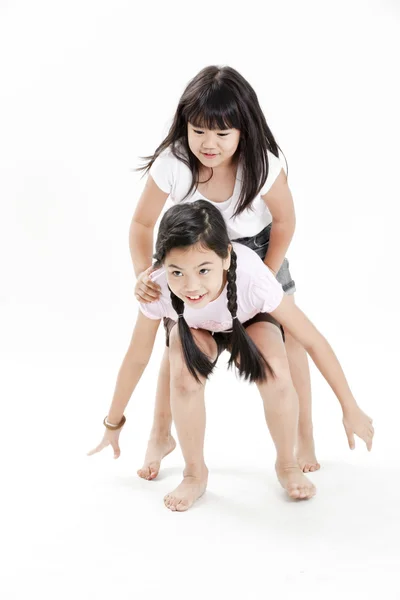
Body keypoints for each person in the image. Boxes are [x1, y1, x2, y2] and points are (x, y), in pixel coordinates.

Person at [88, 201, 374, 512]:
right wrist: (112, 423)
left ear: (225, 257)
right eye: (177, 272)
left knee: (276, 372)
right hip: (194, 328)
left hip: (248, 320)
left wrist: (350, 406)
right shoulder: (158, 287)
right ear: (162, 267)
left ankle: (287, 464)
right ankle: (194, 473)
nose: (192, 285)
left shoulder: (254, 278)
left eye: (203, 270)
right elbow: (136, 359)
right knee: (183, 374)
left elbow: (313, 341)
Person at [130, 65, 318, 480]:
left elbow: (285, 222)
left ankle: (303, 436)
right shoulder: (175, 162)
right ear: (185, 128)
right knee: (178, 349)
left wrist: (263, 279)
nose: (208, 143)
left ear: (243, 131)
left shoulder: (262, 165)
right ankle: (160, 435)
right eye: (198, 131)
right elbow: (142, 225)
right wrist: (145, 274)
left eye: (221, 133)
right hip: (192, 263)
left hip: (256, 255)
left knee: (293, 343)